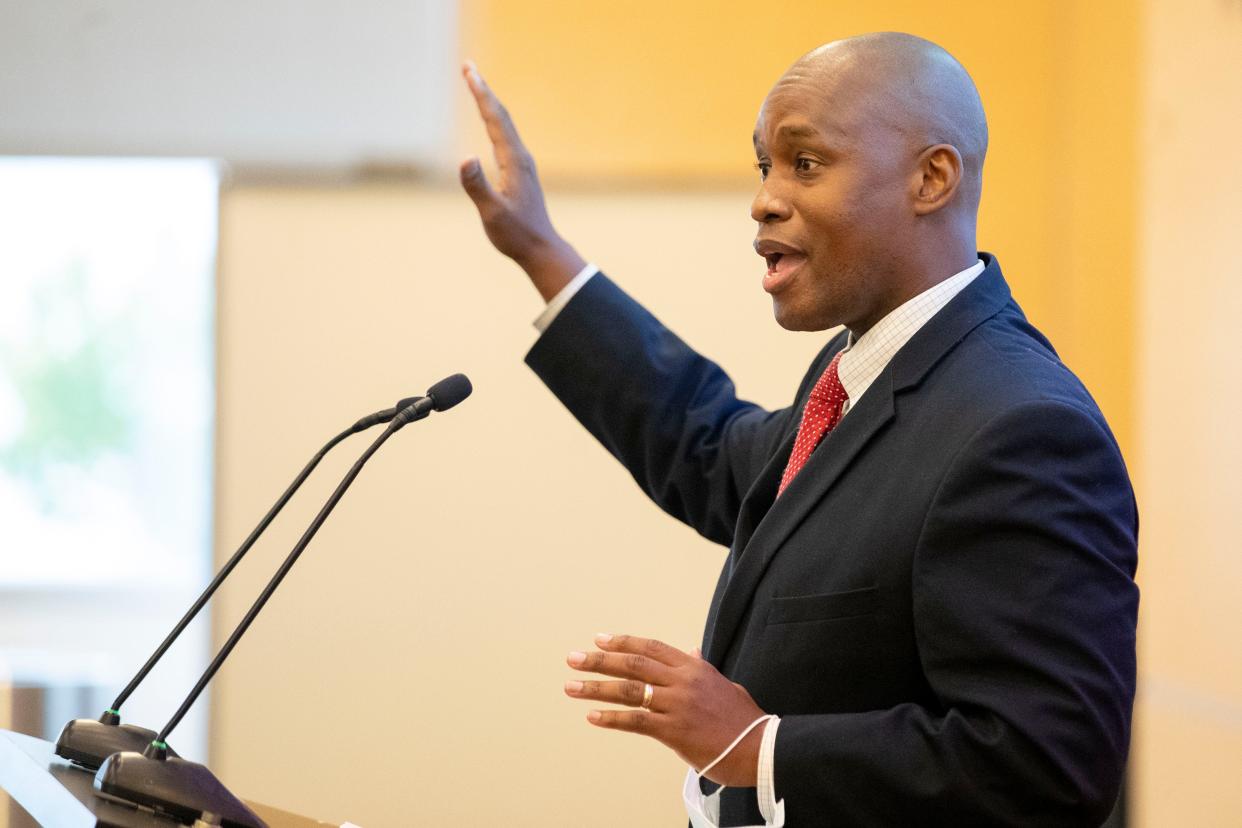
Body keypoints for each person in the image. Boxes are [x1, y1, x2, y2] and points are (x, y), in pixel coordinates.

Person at [459, 32, 1139, 827]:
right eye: (764, 167)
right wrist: (542, 253)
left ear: (931, 178)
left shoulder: (1022, 430)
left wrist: (761, 748)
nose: (765, 199)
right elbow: (711, 451)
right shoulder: (858, 371)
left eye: (805, 163)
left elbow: (1050, 765)